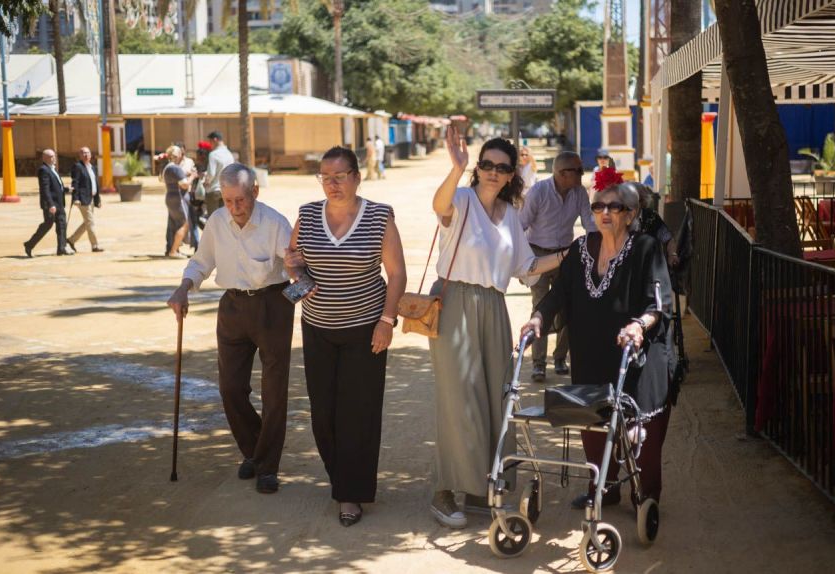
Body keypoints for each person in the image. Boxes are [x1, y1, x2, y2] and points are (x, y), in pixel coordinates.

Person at [428, 129, 568, 529]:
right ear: (478, 169)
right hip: (455, 301)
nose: (492, 172)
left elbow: (526, 268)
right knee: (459, 398)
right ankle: (445, 490)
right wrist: (455, 170)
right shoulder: (462, 198)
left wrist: (567, 254)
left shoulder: (510, 218)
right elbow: (439, 206)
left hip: (494, 306)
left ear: (511, 175)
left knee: (496, 396)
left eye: (501, 167)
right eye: (485, 165)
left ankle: (480, 487)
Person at [520, 182, 674, 509]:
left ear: (630, 214)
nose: (603, 213)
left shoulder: (646, 249)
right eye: (597, 206)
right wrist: (538, 319)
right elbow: (558, 294)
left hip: (636, 356)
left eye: (613, 207)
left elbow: (658, 304)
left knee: (638, 430)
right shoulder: (580, 249)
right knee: (592, 423)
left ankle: (646, 495)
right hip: (590, 353)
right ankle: (602, 489)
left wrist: (638, 325)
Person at [283, 146, 407, 528]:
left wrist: (386, 320)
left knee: (359, 413)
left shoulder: (379, 216)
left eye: (339, 176)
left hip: (365, 329)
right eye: (325, 177)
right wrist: (298, 276)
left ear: (357, 176)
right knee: (324, 414)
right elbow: (293, 258)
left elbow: (397, 273)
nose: (332, 184)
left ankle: (350, 493)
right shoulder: (306, 214)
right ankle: (342, 479)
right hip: (317, 328)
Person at [166, 163, 294, 494]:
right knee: (230, 388)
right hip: (233, 307)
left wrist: (298, 268)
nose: (235, 208)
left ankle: (267, 466)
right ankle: (254, 450)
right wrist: (184, 287)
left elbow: (293, 262)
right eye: (228, 201)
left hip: (272, 306)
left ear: (255, 192)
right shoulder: (218, 222)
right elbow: (201, 262)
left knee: (274, 390)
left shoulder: (274, 222)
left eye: (241, 200)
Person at [519, 151, 596, 382]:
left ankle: (560, 357)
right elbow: (520, 226)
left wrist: (601, 246)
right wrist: (521, 263)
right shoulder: (539, 192)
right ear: (563, 173)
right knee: (540, 308)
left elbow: (589, 222)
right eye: (578, 170)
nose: (582, 174)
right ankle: (539, 364)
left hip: (566, 256)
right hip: (539, 256)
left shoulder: (580, 192)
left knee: (569, 308)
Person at [23, 149, 71, 257]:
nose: (53, 158)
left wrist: (67, 189)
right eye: (50, 157)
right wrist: (51, 204)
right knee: (47, 225)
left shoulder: (53, 169)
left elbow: (57, 186)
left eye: (54, 156)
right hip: (51, 205)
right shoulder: (43, 170)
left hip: (59, 203)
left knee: (62, 225)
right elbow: (45, 189)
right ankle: (29, 244)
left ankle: (62, 248)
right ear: (44, 158)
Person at [66, 146, 104, 253]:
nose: (86, 155)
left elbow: (95, 184)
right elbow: (75, 183)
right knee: (90, 222)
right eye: (83, 153)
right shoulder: (78, 167)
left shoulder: (93, 168)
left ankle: (71, 240)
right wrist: (76, 198)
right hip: (83, 199)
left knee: (87, 222)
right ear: (80, 155)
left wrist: (98, 200)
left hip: (91, 198)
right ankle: (95, 246)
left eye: (87, 153)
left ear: (91, 155)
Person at [163, 146, 196, 258]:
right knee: (184, 224)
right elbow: (185, 184)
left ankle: (174, 249)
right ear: (176, 156)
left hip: (170, 196)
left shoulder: (167, 168)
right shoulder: (175, 168)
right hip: (178, 198)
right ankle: (173, 251)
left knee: (174, 224)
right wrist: (192, 176)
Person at [204, 131, 233, 216]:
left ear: (215, 140)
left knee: (213, 220)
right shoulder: (229, 154)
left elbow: (211, 174)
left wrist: (206, 182)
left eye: (210, 142)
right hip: (226, 190)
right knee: (224, 219)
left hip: (214, 190)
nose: (210, 144)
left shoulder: (213, 154)